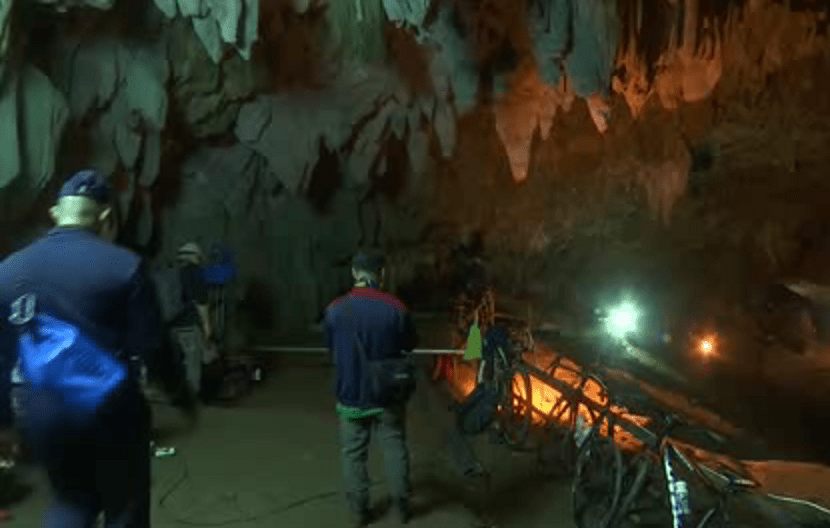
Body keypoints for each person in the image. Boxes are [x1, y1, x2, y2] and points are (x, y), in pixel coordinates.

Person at [0, 169, 196, 528]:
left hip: (42, 411)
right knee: (125, 508)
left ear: (55, 213)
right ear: (107, 217)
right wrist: (179, 394)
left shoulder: (8, 271)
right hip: (110, 409)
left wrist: (3, 423)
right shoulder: (124, 266)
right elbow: (153, 347)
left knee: (70, 503)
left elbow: (1, 356)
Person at [324, 250, 419, 527]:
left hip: (351, 394)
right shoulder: (395, 306)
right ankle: (401, 507)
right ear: (382, 274)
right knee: (394, 446)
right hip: (387, 394)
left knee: (353, 453)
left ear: (354, 273)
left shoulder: (335, 309)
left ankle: (359, 511)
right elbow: (410, 343)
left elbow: (330, 347)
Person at [167, 242, 217, 397]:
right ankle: (191, 396)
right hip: (189, 325)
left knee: (174, 361)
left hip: (170, 325)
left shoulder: (170, 272)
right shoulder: (196, 273)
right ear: (195, 257)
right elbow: (201, 303)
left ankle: (172, 393)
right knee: (192, 363)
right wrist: (207, 327)